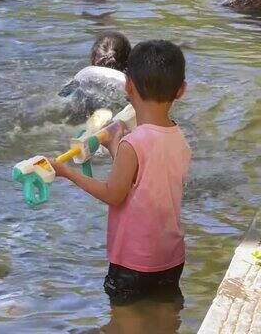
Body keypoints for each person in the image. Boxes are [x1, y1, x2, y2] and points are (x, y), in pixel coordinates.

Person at [51, 40, 191, 306]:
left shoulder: (133, 143)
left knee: (122, 325)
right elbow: (142, 181)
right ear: (181, 90)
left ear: (128, 86)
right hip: (170, 258)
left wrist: (66, 172)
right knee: (165, 319)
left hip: (133, 262)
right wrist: (114, 144)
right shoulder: (178, 137)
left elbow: (114, 194)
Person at [59, 32, 132, 121]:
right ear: (128, 61)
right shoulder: (130, 87)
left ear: (93, 56)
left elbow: (62, 98)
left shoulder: (83, 77)